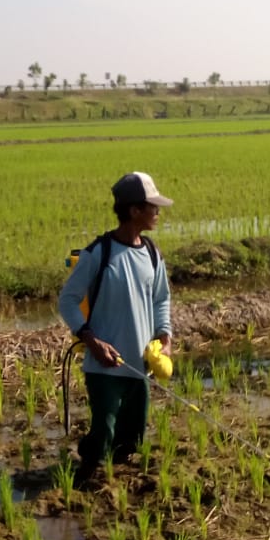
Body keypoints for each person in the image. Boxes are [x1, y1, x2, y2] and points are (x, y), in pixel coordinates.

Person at [58, 172, 173, 485]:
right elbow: (68, 300)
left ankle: (114, 475)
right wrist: (91, 339)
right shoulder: (99, 253)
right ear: (135, 211)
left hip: (140, 365)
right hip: (105, 364)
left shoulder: (151, 253)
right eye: (153, 207)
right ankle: (82, 479)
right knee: (105, 431)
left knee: (132, 437)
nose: (158, 213)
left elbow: (162, 299)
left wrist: (165, 336)